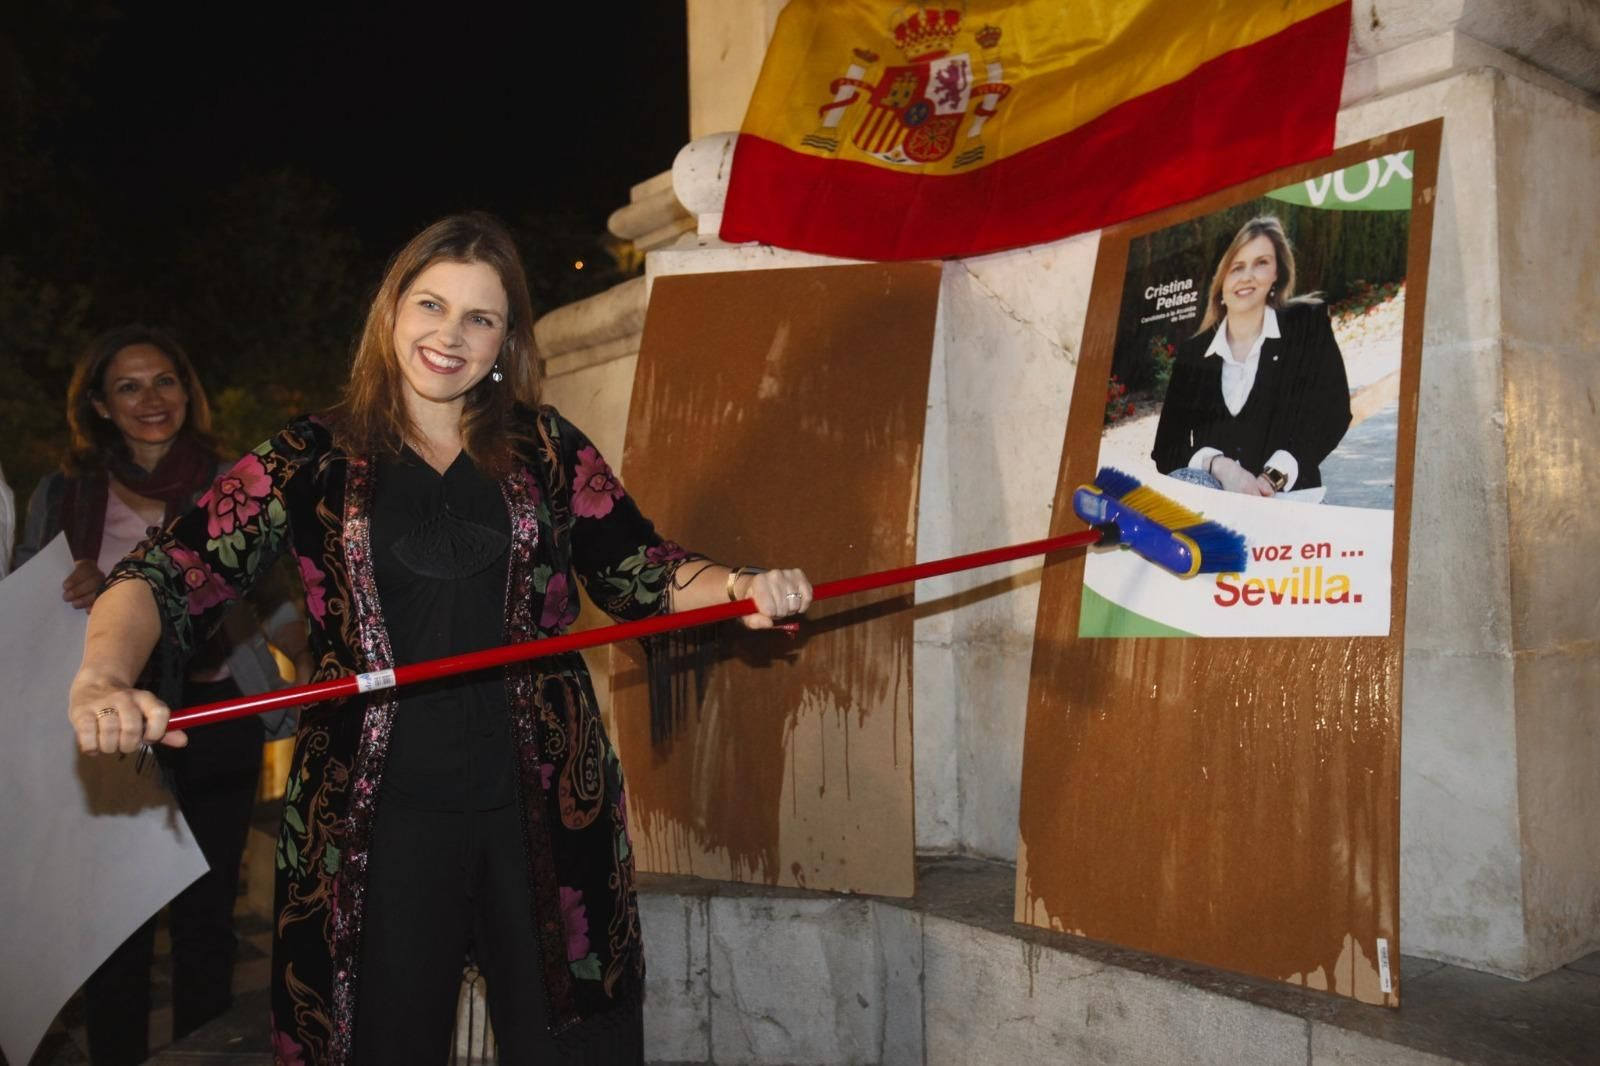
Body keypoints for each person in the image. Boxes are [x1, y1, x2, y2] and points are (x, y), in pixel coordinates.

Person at [67, 213, 813, 1065]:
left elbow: (643, 569)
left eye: (479, 317)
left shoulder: (548, 446)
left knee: (573, 1043)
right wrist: (102, 676)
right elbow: (165, 574)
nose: (450, 335)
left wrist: (740, 587)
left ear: (505, 341)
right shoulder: (305, 456)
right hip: (369, 820)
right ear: (391, 312)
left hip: (546, 810)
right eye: (431, 304)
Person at [21, 326, 273, 1064]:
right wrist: (69, 592)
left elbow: (266, 590)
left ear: (187, 391)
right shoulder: (62, 495)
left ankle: (203, 1054)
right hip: (112, 732)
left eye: (165, 380)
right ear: (99, 405)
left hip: (215, 716)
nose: (151, 399)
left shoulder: (234, 481)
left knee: (208, 917)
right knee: (113, 926)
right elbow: (27, 604)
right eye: (127, 386)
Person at [1150, 215, 1351, 496]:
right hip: (1215, 510)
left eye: (1261, 263)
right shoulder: (1194, 354)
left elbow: (1333, 413)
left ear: (1277, 273)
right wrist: (1219, 467)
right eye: (1236, 267)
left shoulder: (1306, 325)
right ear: (1221, 278)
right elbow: (1167, 449)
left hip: (1291, 505)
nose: (1247, 276)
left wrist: (1273, 477)